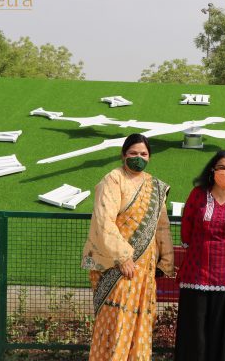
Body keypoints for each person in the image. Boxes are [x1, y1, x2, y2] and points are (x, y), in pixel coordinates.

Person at [81, 133, 174, 361]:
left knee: (141, 324)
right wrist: (123, 257)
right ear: (124, 155)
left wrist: (166, 262)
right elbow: (104, 221)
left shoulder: (155, 187)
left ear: (150, 157)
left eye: (143, 154)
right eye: (133, 153)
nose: (138, 158)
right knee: (115, 324)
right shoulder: (113, 180)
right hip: (118, 267)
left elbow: (161, 227)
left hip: (145, 271)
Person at [174, 150, 225, 361]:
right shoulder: (198, 194)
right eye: (221, 167)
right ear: (212, 169)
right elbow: (187, 227)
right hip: (197, 272)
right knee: (196, 331)